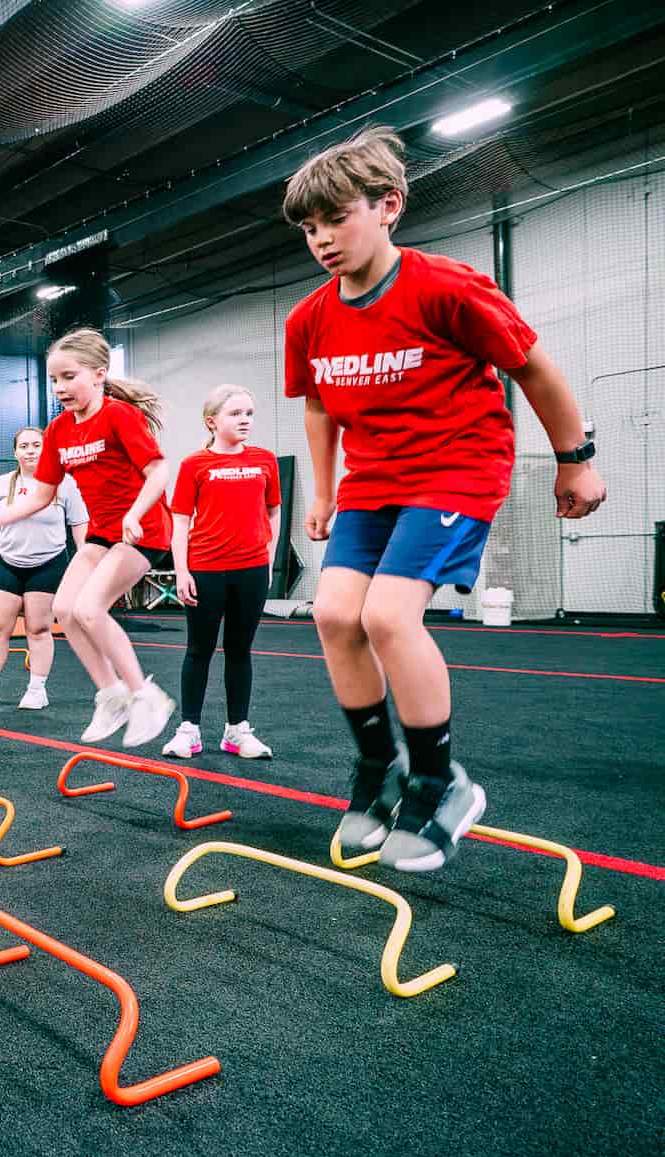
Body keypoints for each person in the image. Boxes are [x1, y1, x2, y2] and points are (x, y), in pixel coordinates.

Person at [284, 126, 605, 872]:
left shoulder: (447, 287)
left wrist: (574, 462)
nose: (323, 239)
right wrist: (324, 493)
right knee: (333, 613)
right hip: (374, 481)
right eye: (309, 228)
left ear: (389, 205)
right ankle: (379, 770)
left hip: (457, 467)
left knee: (387, 616)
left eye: (338, 218)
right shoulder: (309, 319)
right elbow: (320, 409)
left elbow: (536, 372)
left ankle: (441, 783)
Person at [0, 328, 177, 747]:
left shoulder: (118, 416)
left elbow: (160, 470)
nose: (60, 388)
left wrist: (135, 513)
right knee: (64, 608)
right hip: (103, 533)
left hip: (144, 529)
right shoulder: (60, 430)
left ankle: (146, 696)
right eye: (54, 380)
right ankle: (112, 696)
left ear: (99, 374)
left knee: (91, 609)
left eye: (69, 377)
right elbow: (43, 494)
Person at [161, 385, 280, 760]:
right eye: (235, 414)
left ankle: (237, 732)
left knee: (239, 651)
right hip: (206, 568)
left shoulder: (265, 459)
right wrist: (182, 571)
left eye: (248, 413)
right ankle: (189, 731)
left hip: (251, 570)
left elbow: (274, 511)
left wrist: (268, 560)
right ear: (212, 422)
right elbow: (180, 521)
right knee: (198, 650)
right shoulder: (194, 465)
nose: (244, 420)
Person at [0, 426, 90, 711]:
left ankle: (37, 690)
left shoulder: (66, 484)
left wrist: (86, 564)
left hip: (48, 564)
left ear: (47, 450)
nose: (30, 450)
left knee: (38, 629)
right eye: (24, 446)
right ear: (15, 452)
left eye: (37, 445)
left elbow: (79, 527)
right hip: (7, 564)